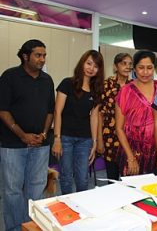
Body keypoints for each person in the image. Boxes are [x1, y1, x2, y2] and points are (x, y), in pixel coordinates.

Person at [0, 39, 55, 231]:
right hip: (12, 144)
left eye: (44, 55)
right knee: (12, 190)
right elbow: (3, 110)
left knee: (36, 187)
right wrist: (23, 135)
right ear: (25, 56)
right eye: (38, 55)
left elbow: (50, 111)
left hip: (40, 144)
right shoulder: (9, 76)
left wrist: (44, 133)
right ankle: (15, 228)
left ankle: (31, 226)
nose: (42, 59)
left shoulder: (47, 80)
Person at [51, 50, 104, 194]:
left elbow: (94, 117)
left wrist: (94, 142)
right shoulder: (67, 83)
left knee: (83, 179)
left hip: (85, 140)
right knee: (66, 177)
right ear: (82, 63)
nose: (91, 68)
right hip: (65, 137)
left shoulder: (97, 90)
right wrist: (57, 138)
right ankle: (67, 209)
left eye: (95, 66)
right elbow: (58, 112)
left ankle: (81, 209)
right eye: (88, 63)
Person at [115, 50, 157, 176]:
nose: (145, 72)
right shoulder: (125, 91)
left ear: (155, 68)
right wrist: (130, 158)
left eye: (149, 68)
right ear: (134, 69)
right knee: (132, 193)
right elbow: (119, 128)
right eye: (141, 68)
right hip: (132, 152)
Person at [97, 53, 133, 181]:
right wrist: (99, 140)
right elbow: (100, 114)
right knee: (112, 179)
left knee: (128, 179)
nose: (127, 67)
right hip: (109, 137)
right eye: (124, 63)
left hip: (129, 139)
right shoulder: (106, 85)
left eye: (130, 64)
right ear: (115, 66)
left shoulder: (134, 86)